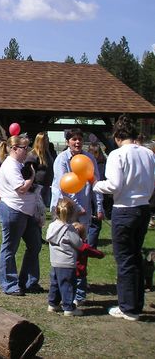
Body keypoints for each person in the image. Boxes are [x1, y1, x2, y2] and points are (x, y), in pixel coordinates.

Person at [93, 115, 155, 321]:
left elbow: (114, 185)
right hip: (143, 208)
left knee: (125, 259)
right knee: (136, 256)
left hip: (125, 209)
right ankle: (136, 303)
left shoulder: (117, 155)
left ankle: (127, 307)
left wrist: (96, 184)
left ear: (117, 136)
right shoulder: (148, 154)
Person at [0, 135, 42, 296]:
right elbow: (21, 188)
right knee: (9, 248)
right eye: (24, 148)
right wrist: (32, 177)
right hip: (13, 211)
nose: (27, 151)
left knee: (35, 245)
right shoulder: (10, 166)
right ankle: (9, 284)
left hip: (26, 212)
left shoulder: (19, 164)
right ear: (14, 149)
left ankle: (28, 281)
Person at [50, 129, 103, 234]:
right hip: (65, 208)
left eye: (80, 139)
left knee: (82, 242)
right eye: (74, 139)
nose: (77, 142)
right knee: (66, 241)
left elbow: (95, 183)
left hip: (85, 209)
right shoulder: (62, 159)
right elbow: (64, 186)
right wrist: (77, 207)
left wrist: (99, 207)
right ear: (67, 142)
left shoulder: (89, 158)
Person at [46, 198, 84, 316]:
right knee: (68, 285)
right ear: (72, 214)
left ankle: (53, 304)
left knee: (55, 284)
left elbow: (48, 237)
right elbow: (79, 244)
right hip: (67, 262)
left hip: (55, 261)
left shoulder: (52, 226)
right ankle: (68, 307)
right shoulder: (69, 229)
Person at [72, 222, 105, 307]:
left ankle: (71, 298)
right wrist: (101, 254)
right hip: (80, 271)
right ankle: (79, 299)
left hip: (68, 269)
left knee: (70, 285)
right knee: (80, 286)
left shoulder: (68, 244)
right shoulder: (84, 246)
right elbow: (95, 253)